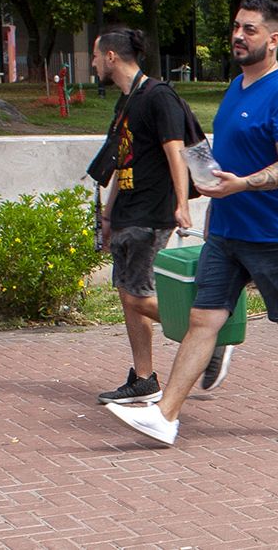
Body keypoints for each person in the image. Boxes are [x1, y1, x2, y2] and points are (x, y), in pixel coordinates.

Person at [105, 0, 278, 446]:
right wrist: (211, 199)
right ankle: (165, 416)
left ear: (273, 39)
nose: (237, 36)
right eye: (235, 27)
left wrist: (242, 185)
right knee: (202, 319)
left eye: (249, 29)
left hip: (270, 232)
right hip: (226, 231)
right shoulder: (237, 87)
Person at [92, 28, 205, 405]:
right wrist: (108, 216)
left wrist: (182, 203)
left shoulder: (158, 96)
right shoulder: (126, 103)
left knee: (138, 297)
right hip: (127, 210)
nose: (93, 63)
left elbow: (176, 152)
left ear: (111, 56)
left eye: (96, 56)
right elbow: (120, 161)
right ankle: (144, 378)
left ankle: (208, 337)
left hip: (152, 212)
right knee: (129, 296)